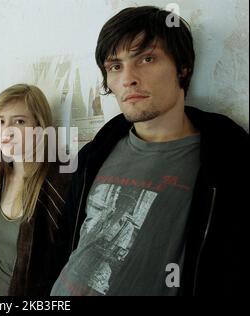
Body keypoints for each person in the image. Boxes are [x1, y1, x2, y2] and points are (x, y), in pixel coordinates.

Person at [51, 6, 249, 296]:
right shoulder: (94, 154)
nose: (128, 78)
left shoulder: (228, 158)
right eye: (115, 66)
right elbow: (68, 242)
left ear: (183, 67)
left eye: (146, 58)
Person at [0, 84, 72, 296]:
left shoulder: (58, 183)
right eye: (0, 121)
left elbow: (64, 261)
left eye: (19, 121)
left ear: (40, 126)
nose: (7, 130)